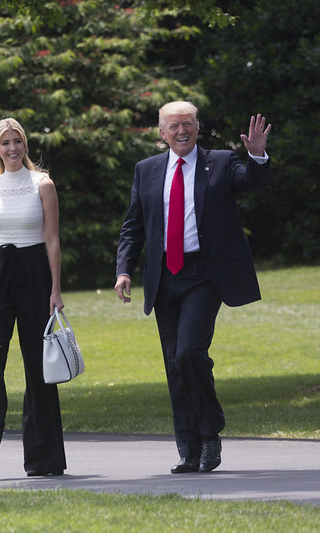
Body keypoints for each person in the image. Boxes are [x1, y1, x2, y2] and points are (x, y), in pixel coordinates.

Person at [115, 101, 271, 474]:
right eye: (174, 126)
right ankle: (189, 448)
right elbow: (134, 224)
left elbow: (251, 182)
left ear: (197, 128)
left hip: (204, 274)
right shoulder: (147, 170)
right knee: (174, 364)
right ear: (162, 133)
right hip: (164, 276)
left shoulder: (221, 162)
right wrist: (123, 270)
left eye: (187, 124)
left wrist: (257, 156)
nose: (181, 131)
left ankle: (210, 432)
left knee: (188, 352)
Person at [0, 118, 67, 478]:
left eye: (17, 141)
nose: (12, 148)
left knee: (38, 367)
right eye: (5, 143)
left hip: (35, 274)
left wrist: (56, 289)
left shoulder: (43, 184)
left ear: (25, 145)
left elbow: (52, 240)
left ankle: (43, 457)